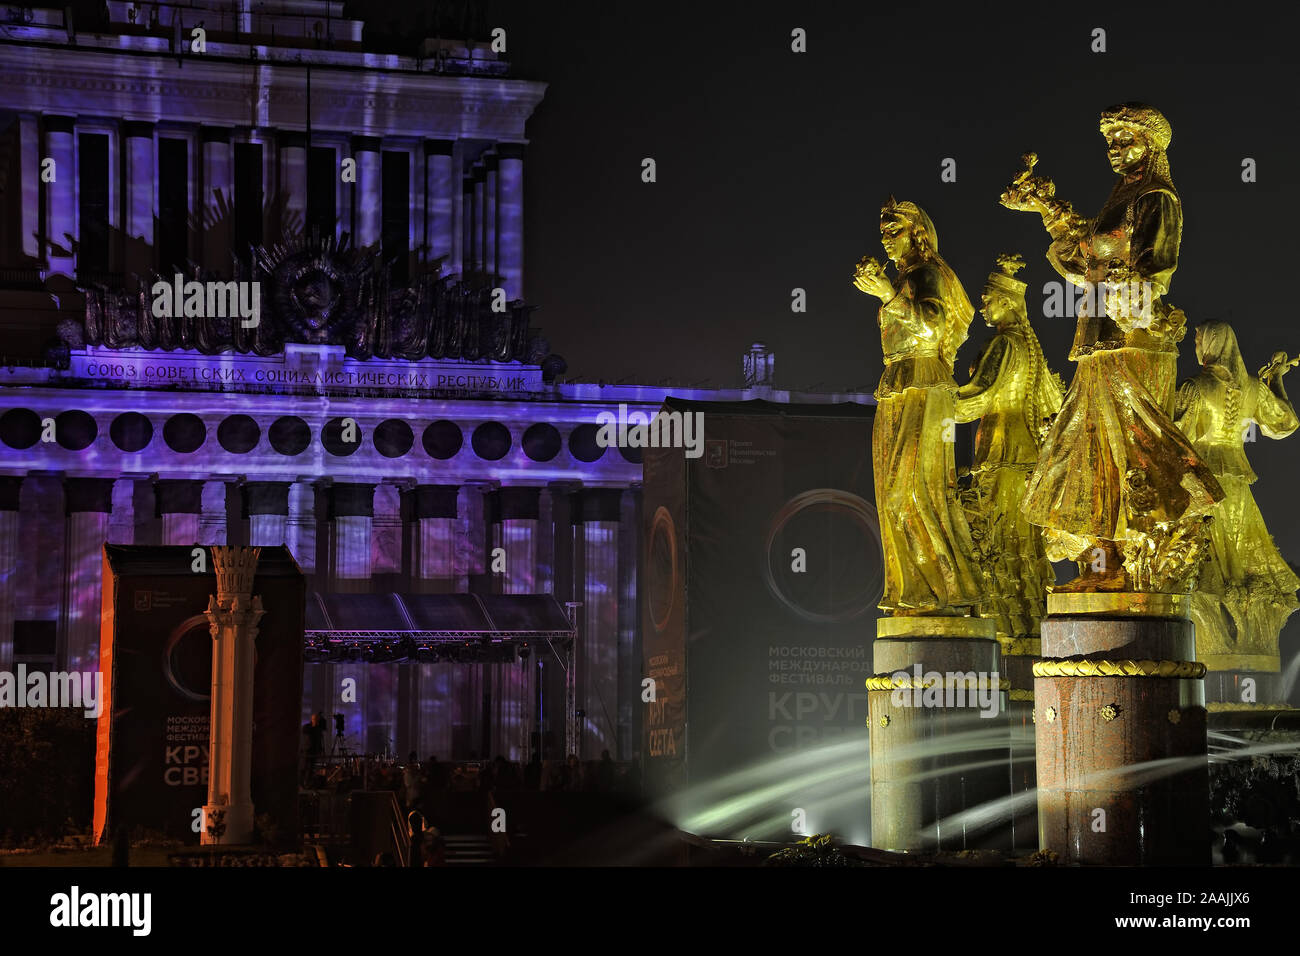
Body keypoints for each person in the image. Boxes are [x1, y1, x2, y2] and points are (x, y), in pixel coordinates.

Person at [1002, 104, 1222, 591]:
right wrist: (1046, 209)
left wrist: (1115, 283)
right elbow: (1086, 254)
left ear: (1153, 144)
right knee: (1088, 446)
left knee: (1135, 446)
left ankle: (1139, 556)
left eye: (1127, 140)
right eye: (1111, 142)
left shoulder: (1157, 197)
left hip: (1133, 337)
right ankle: (1102, 559)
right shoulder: (1121, 197)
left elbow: (1153, 269)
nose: (1116, 151)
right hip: (1100, 339)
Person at [853, 198, 984, 613]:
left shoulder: (927, 273)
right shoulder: (908, 276)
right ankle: (915, 591)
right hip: (897, 383)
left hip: (923, 382)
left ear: (917, 233)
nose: (887, 240)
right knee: (891, 493)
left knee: (911, 490)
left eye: (894, 231)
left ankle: (947, 591)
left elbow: (931, 325)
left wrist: (888, 293)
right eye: (883, 234)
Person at [1175, 322, 1300, 669]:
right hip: (1238, 487)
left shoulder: (1194, 387)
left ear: (1212, 344)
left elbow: (1172, 437)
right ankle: (1245, 642)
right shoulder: (1252, 389)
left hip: (1201, 486)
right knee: (1241, 558)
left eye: (1198, 340)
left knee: (1202, 560)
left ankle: (1211, 642)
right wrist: (1275, 380)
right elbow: (1285, 423)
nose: (1196, 346)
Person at [953, 254, 1063, 637]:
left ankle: (1002, 625)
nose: (982, 304)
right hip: (1025, 456)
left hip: (1000, 452)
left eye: (987, 298)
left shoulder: (1003, 344)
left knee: (996, 539)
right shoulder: (1029, 347)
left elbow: (979, 396)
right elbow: (1054, 408)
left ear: (1009, 301)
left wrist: (932, 401)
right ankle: (1028, 623)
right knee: (1021, 543)